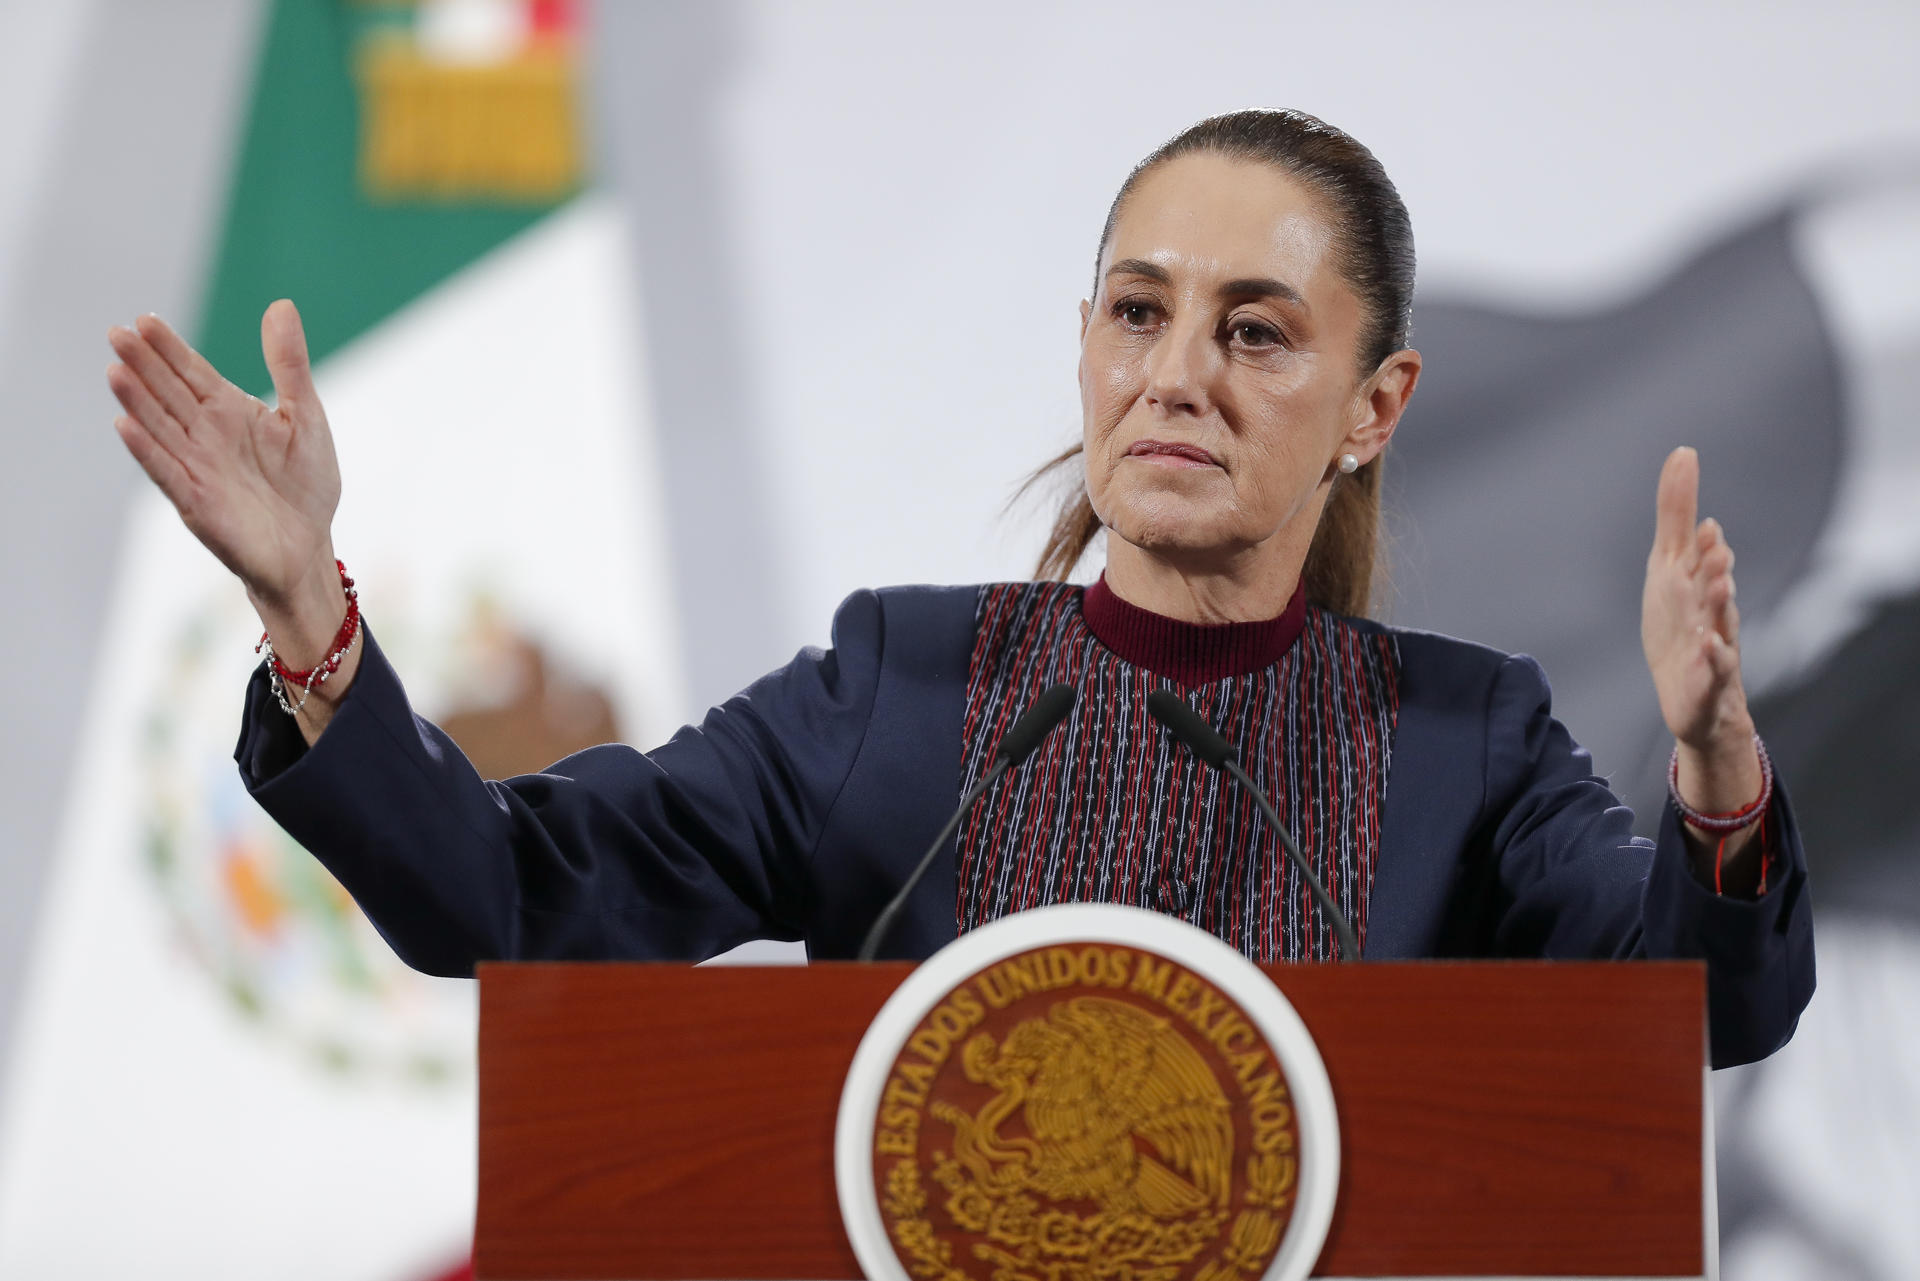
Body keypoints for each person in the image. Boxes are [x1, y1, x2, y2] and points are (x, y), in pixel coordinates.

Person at [104, 109, 1811, 1068]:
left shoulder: (1467, 741)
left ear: (1377, 407)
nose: (1177, 375)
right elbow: (509, 898)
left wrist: (1719, 768)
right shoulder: (900, 691)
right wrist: (307, 613)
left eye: (1256, 332)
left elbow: (1704, 1009)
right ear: (1085, 344)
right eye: (1138, 312)